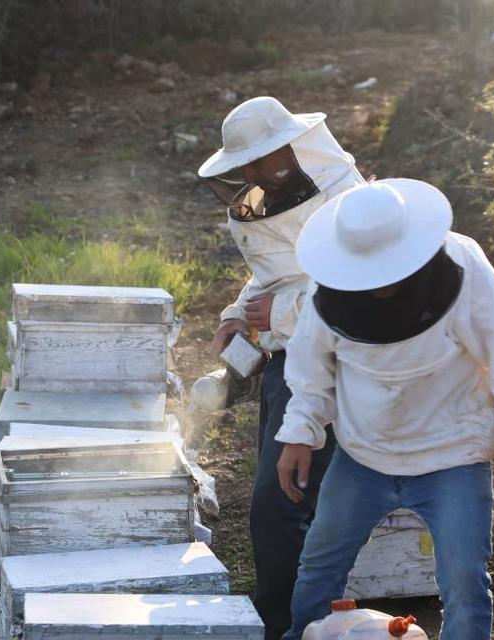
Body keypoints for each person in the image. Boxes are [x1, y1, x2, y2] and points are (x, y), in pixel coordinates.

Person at [273, 179, 494, 640]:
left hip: (455, 455)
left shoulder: (464, 268)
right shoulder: (327, 287)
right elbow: (310, 370)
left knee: (465, 581)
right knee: (318, 569)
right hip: (363, 454)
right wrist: (299, 431)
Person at [197, 96, 366, 640]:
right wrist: (236, 314)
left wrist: (285, 311)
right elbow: (272, 271)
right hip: (289, 365)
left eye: (262, 159)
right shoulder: (270, 197)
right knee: (282, 499)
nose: (251, 173)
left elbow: (368, 292)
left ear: (294, 148)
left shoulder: (349, 203)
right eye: (244, 163)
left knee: (282, 501)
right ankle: (290, 618)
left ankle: (292, 624)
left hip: (347, 364)